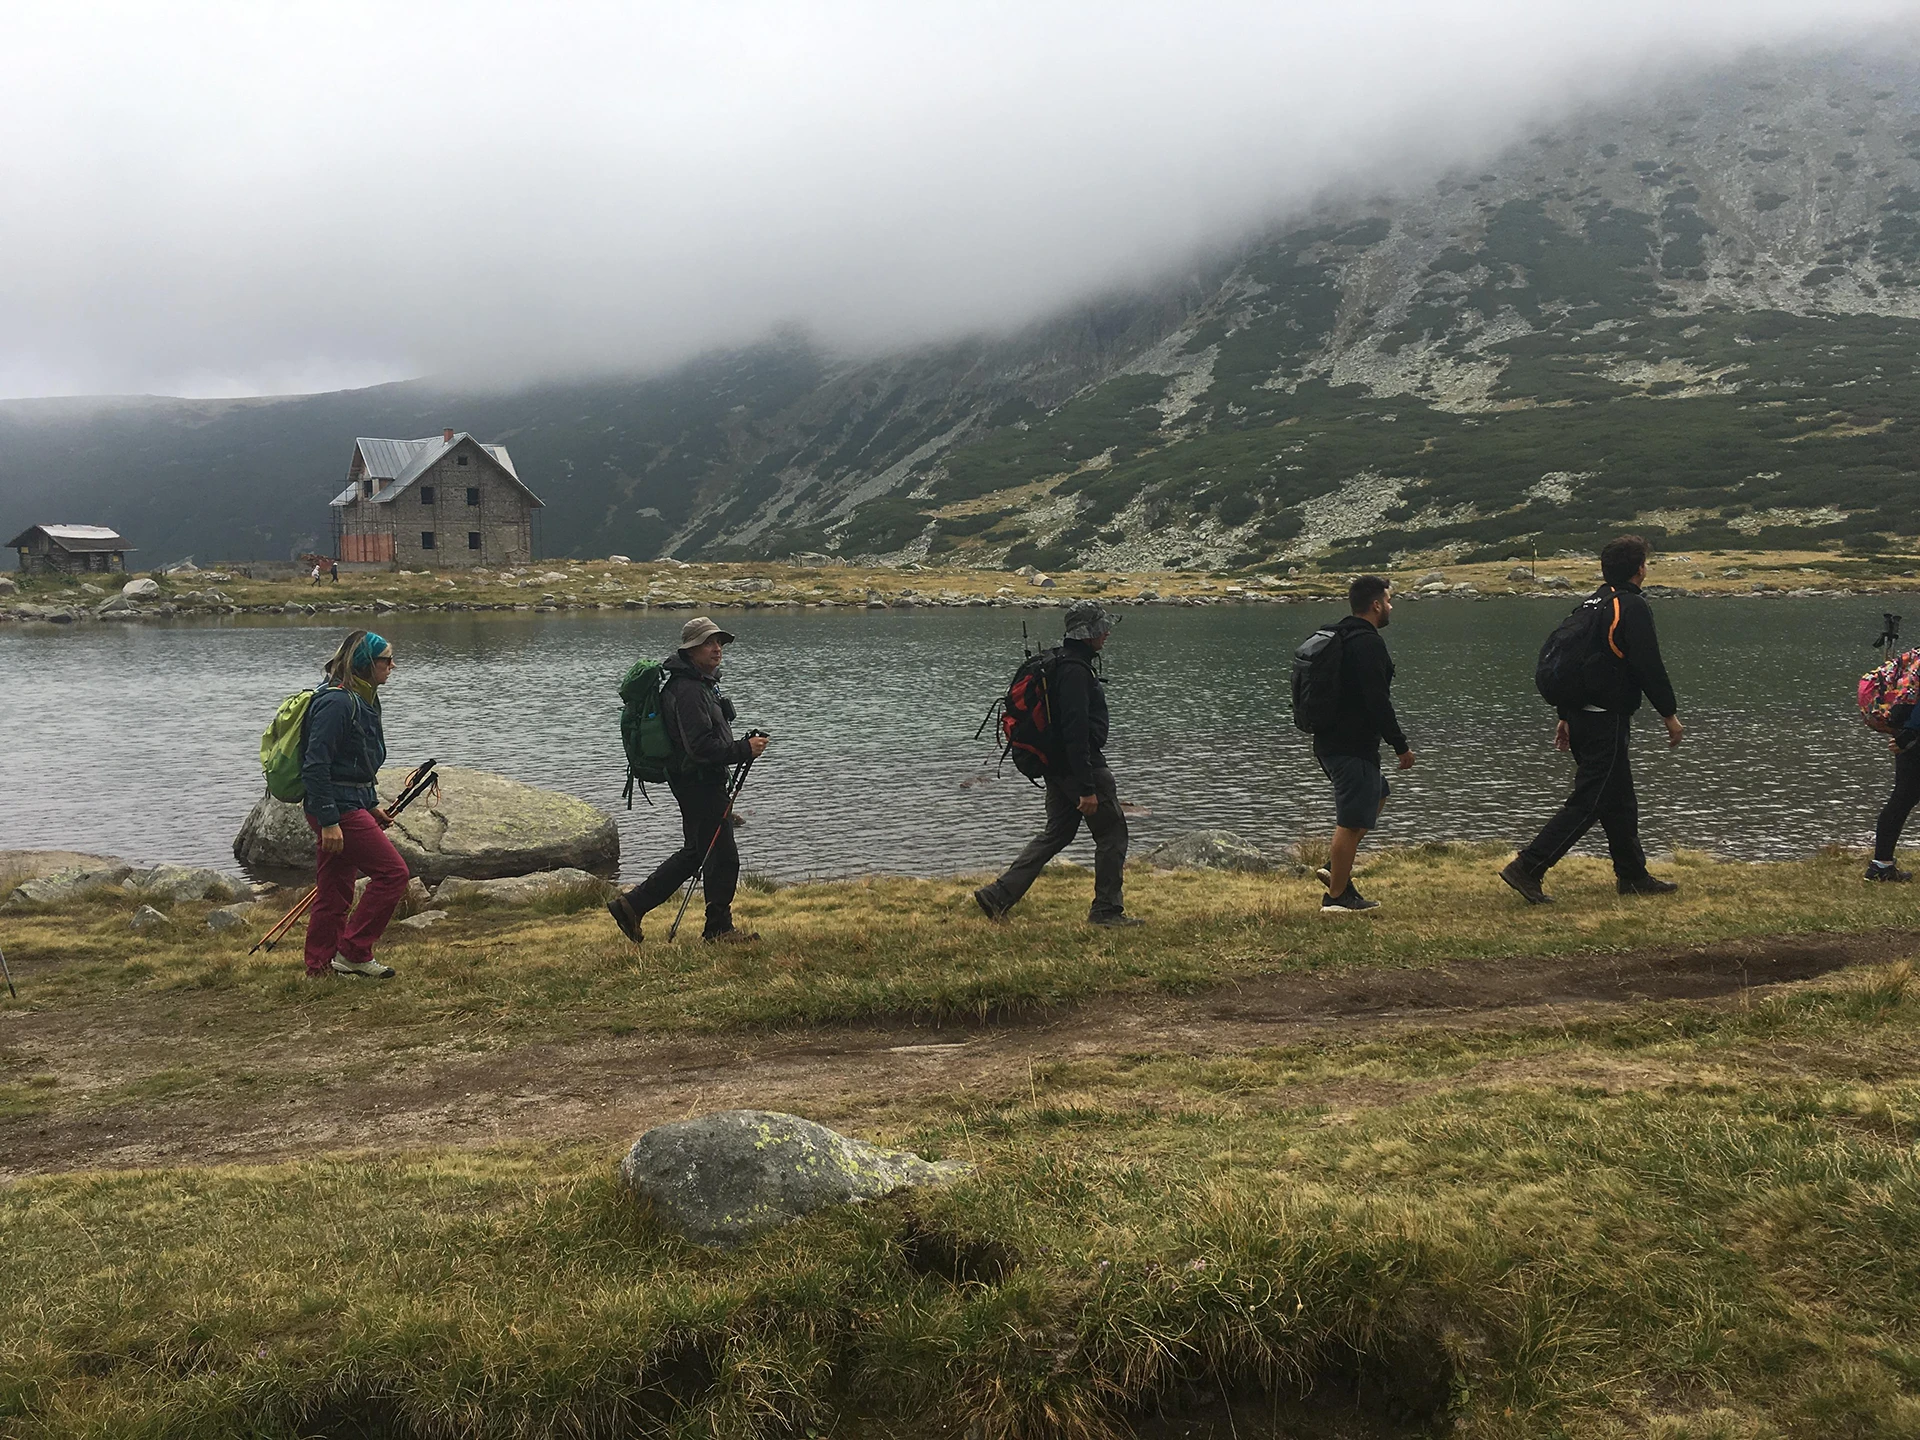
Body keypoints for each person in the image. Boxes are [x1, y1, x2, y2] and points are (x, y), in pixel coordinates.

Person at [1501, 534, 1684, 904]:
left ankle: (1632, 876)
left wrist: (1565, 715)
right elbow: (1648, 665)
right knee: (1591, 800)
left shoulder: (1589, 604)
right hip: (1605, 720)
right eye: (1645, 564)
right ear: (1639, 570)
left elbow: (1574, 665)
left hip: (1581, 716)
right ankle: (1529, 866)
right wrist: (1669, 715)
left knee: (1619, 799)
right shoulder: (1630, 607)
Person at [973, 600, 1140, 927]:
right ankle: (1106, 911)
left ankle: (997, 895)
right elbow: (1075, 733)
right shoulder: (1075, 672)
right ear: (1087, 634)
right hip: (1082, 769)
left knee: (1056, 834)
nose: (1106, 633)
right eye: (1101, 628)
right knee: (1112, 835)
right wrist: (1087, 788)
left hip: (1056, 769)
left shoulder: (1057, 663)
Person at [607, 617, 770, 945]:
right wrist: (744, 750)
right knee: (723, 857)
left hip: (697, 781)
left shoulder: (699, 683)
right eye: (709, 643)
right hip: (698, 782)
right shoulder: (687, 690)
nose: (717, 649)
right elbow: (699, 748)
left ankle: (631, 905)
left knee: (697, 852)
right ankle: (719, 930)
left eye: (720, 643)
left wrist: (738, 748)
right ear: (691, 649)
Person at [301, 629, 408, 978]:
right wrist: (330, 820)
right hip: (336, 809)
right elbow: (316, 765)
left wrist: (370, 803)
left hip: (348, 804)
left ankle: (319, 968)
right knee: (393, 874)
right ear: (365, 663)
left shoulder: (362, 699)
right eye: (386, 660)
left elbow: (353, 764)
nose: (393, 665)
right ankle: (354, 952)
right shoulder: (337, 702)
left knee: (334, 891)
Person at [1312, 575, 1415, 915]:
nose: (1390, 606)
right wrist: (1401, 746)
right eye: (1387, 600)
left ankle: (1334, 868)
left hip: (1330, 742)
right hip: (1351, 745)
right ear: (1375, 605)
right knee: (1351, 820)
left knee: (1378, 793)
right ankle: (1337, 899)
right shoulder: (1368, 644)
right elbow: (1377, 702)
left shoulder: (1340, 633)